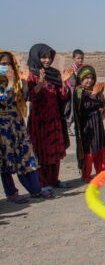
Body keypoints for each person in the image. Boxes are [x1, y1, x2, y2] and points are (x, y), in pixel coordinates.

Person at [0, 50, 52, 201]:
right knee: (6, 160)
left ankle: (35, 189)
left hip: (17, 124)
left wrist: (23, 83)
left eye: (9, 64)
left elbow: (24, 98)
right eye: (3, 64)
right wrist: (10, 83)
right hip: (3, 128)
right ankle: (11, 193)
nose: (7, 67)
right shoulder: (8, 82)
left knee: (26, 156)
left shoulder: (15, 80)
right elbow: (4, 100)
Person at [26, 43, 71, 190]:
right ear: (36, 57)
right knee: (41, 152)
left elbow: (63, 96)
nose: (47, 60)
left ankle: (54, 180)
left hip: (54, 119)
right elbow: (31, 96)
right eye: (43, 57)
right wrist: (40, 82)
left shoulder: (54, 73)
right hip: (40, 121)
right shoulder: (31, 75)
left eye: (49, 57)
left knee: (54, 152)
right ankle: (43, 183)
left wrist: (63, 83)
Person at [73, 65, 105, 181]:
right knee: (89, 148)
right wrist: (93, 95)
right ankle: (87, 174)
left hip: (97, 123)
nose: (89, 80)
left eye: (92, 78)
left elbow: (101, 105)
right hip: (87, 125)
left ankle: (102, 171)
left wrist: (101, 95)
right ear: (81, 78)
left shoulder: (95, 89)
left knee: (99, 145)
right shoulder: (79, 91)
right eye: (86, 78)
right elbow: (83, 106)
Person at [64, 49, 84, 135]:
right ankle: (67, 126)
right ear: (73, 58)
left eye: (82, 58)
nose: (80, 60)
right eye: (78, 58)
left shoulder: (82, 68)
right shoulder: (71, 70)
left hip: (81, 92)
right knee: (72, 110)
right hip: (73, 93)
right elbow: (72, 83)